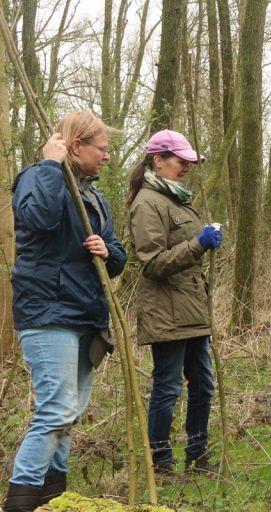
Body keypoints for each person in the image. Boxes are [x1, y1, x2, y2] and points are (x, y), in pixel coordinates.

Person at [3, 111, 127, 512]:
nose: (107, 157)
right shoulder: (38, 177)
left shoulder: (94, 196)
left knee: (68, 415)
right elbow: (38, 219)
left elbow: (118, 256)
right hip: (47, 312)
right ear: (77, 147)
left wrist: (108, 252)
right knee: (56, 409)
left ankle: (53, 501)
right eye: (102, 149)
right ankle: (20, 501)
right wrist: (50, 166)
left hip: (86, 316)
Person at [126, 129, 222, 476]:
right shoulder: (147, 203)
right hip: (166, 313)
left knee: (204, 385)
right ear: (158, 160)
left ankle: (198, 459)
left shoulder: (178, 199)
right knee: (167, 389)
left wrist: (204, 242)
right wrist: (199, 243)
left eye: (189, 163)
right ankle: (160, 466)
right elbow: (152, 263)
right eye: (181, 162)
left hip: (193, 309)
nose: (187, 168)